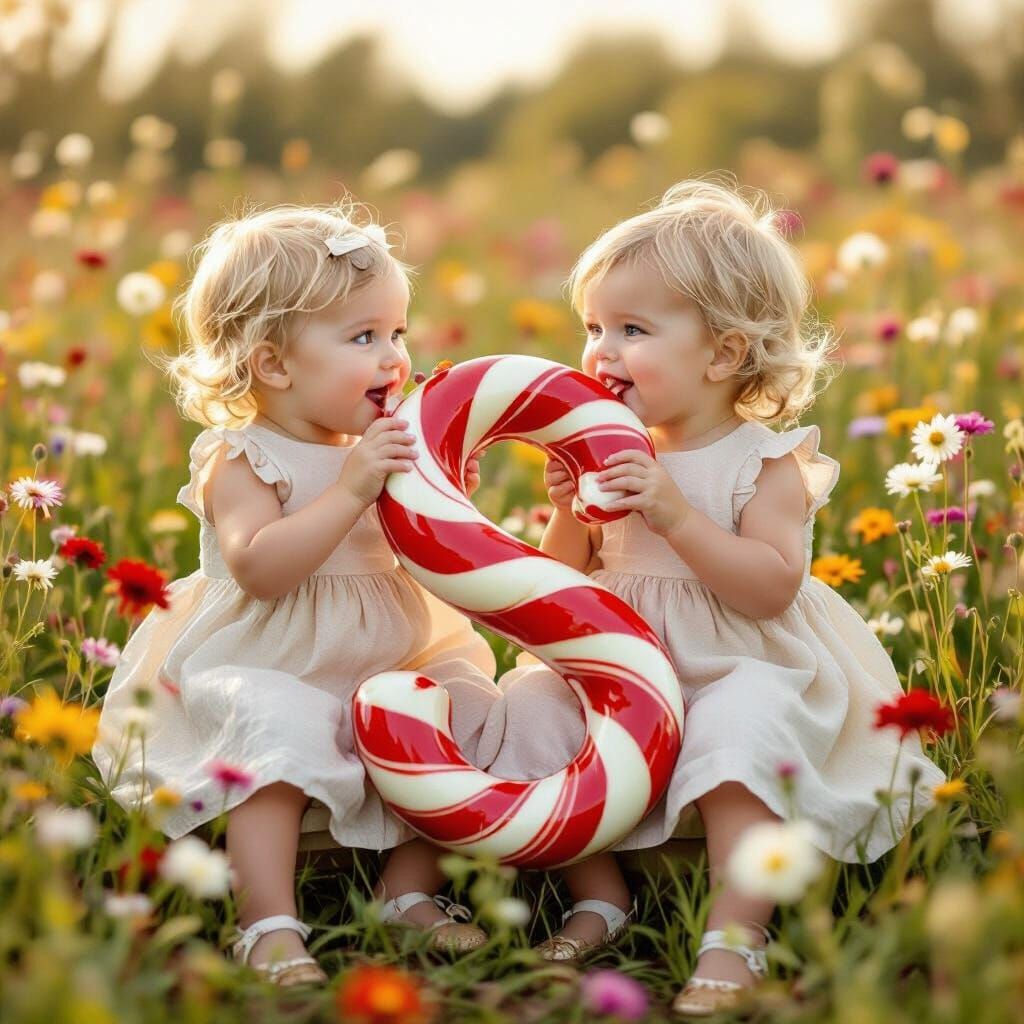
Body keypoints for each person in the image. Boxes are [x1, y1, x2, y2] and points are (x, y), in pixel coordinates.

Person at [479, 179, 946, 1016]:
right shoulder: (599, 447)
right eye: (593, 328)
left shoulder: (761, 460)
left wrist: (673, 511)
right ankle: (601, 893)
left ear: (723, 354)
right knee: (534, 709)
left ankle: (736, 935)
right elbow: (566, 582)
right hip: (624, 663)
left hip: (738, 660)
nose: (599, 352)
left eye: (632, 329)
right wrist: (563, 509)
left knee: (742, 731)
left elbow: (770, 588)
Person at [92, 204, 501, 987]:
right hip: (274, 659)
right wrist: (353, 489)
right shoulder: (241, 458)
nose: (393, 360)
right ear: (274, 365)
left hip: (394, 653)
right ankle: (269, 920)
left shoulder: (384, 450)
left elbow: (431, 564)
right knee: (272, 726)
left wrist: (446, 503)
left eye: (397, 334)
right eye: (362, 338)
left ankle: (406, 891)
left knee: (469, 708)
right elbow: (261, 567)